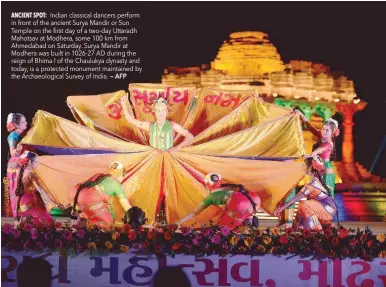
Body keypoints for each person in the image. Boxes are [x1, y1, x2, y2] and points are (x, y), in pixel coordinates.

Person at [273, 157, 337, 231]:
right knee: (301, 209)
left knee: (303, 205)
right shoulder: (315, 180)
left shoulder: (312, 183)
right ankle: (296, 227)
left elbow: (294, 199)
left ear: (310, 167)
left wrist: (280, 209)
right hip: (326, 209)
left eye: (304, 165)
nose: (302, 167)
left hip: (327, 210)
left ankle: (316, 227)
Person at [177, 173, 261, 229]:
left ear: (207, 185)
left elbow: (194, 212)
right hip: (255, 201)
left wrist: (180, 222)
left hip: (239, 205)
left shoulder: (211, 197)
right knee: (240, 223)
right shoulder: (229, 188)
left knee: (223, 228)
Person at [70, 161, 132, 229]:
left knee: (85, 223)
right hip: (89, 199)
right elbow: (127, 207)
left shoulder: (100, 177)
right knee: (108, 225)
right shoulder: (116, 185)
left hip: (74, 195)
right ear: (121, 175)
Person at [121, 94, 194, 151]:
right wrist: (124, 105)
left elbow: (190, 136)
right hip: (153, 157)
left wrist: (177, 148)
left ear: (166, 111)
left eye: (163, 110)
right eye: (158, 110)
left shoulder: (173, 125)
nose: (160, 113)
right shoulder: (149, 126)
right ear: (154, 112)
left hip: (169, 157)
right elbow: (131, 120)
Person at [295, 110, 340, 197]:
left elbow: (320, 150)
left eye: (327, 130)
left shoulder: (328, 143)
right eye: (323, 129)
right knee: (313, 191)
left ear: (332, 133)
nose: (324, 131)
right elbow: (312, 129)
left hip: (325, 170)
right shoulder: (323, 136)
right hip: (318, 165)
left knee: (323, 194)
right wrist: (302, 117)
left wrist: (310, 155)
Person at [8, 151, 53, 223]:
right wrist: (50, 200)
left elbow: (9, 169)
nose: (37, 164)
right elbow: (40, 189)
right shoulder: (32, 174)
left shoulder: (18, 170)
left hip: (22, 200)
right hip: (33, 199)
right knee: (39, 224)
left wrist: (20, 160)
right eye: (36, 162)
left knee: (24, 224)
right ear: (29, 161)